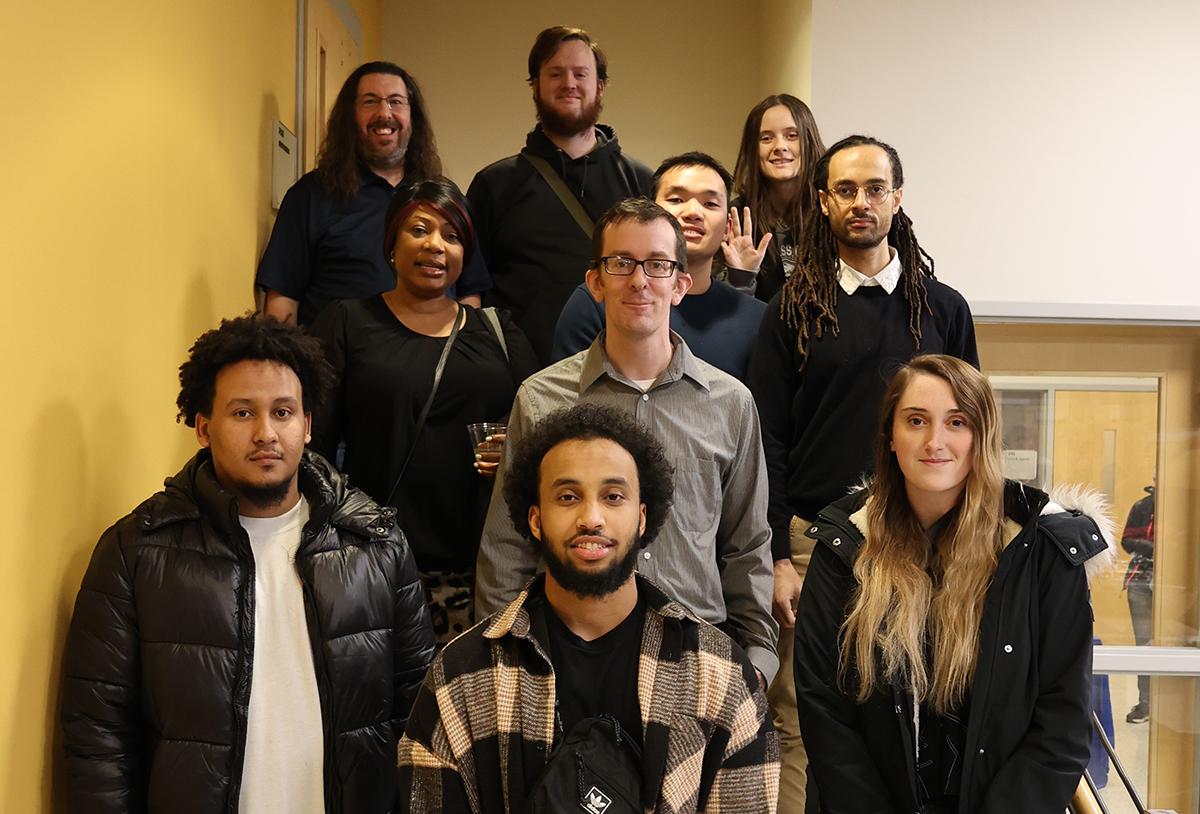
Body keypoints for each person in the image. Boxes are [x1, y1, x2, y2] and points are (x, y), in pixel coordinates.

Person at [61, 315, 436, 812]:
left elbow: (420, 715)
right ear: (202, 427)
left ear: (307, 426)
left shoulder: (377, 546)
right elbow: (96, 738)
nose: (266, 433)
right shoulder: (135, 553)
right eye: (242, 413)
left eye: (283, 412)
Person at [398, 403, 780, 813]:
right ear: (535, 519)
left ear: (641, 517)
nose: (591, 517)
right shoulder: (461, 675)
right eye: (567, 496)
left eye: (613, 496)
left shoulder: (719, 675)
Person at [748, 134, 979, 812]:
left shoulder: (944, 308)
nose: (860, 202)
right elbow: (767, 439)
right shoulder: (791, 308)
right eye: (845, 190)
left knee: (923, 709)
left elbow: (971, 433)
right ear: (822, 203)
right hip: (813, 544)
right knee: (801, 721)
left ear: (897, 198)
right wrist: (775, 557)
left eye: (874, 188)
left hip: (927, 539)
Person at [475, 197, 778, 685]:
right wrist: (499, 661)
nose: (639, 281)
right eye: (621, 263)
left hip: (699, 659)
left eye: (657, 265)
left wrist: (758, 662)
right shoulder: (542, 399)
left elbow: (747, 544)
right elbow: (508, 545)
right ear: (595, 282)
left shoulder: (731, 404)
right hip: (571, 656)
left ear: (681, 284)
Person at [795, 354, 1114, 813]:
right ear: (890, 438)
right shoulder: (845, 541)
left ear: (982, 437)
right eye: (916, 420)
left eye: (957, 421)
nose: (934, 441)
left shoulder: (1042, 548)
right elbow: (824, 710)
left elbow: (1062, 724)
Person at [311, 177, 538, 643]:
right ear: (392, 241)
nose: (435, 245)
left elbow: (546, 435)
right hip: (375, 563)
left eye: (452, 236)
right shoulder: (348, 323)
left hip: (482, 569)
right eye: (419, 230)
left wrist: (514, 453)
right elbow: (313, 446)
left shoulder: (499, 330)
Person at [468, 26, 653, 364]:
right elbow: (470, 291)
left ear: (599, 86)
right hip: (518, 375)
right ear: (535, 86)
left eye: (580, 74)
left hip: (622, 374)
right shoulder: (494, 184)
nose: (568, 83)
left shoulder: (641, 182)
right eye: (555, 73)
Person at [257, 62, 490, 326]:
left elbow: (470, 292)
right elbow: (283, 299)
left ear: (412, 117)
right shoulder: (310, 194)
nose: (384, 113)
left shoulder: (445, 199)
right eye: (370, 102)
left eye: (396, 101)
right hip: (334, 363)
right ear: (350, 116)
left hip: (432, 364)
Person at [552, 152, 768, 381]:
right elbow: (566, 395)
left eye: (710, 203)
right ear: (651, 211)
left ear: (727, 227)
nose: (693, 212)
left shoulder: (758, 319)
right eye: (676, 200)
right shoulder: (601, 298)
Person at [729, 94, 825, 302]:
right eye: (766, 138)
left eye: (792, 136)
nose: (779, 146)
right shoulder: (736, 216)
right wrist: (741, 278)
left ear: (809, 141)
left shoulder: (831, 210)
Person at [1121, 482, 1155, 723]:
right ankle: (1146, 703)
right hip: (1141, 581)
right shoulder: (1142, 506)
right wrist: (1150, 547)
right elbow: (1127, 540)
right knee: (1144, 643)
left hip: (1179, 587)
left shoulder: (1186, 505)